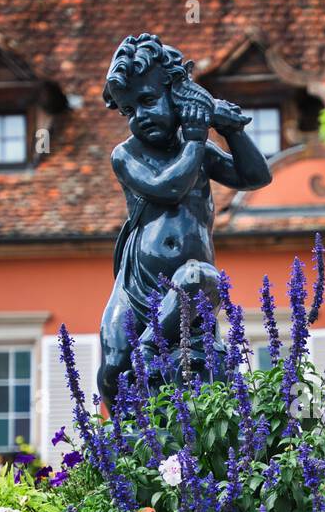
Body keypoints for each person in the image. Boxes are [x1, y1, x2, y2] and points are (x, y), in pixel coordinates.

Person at [98, 33, 272, 403]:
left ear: (175, 94)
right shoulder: (126, 155)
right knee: (112, 369)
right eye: (130, 111)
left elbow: (256, 176)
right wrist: (195, 137)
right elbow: (168, 188)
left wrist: (231, 129)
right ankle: (118, 444)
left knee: (199, 277)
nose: (141, 117)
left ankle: (149, 348)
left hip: (189, 287)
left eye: (147, 100)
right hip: (137, 286)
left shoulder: (200, 151)